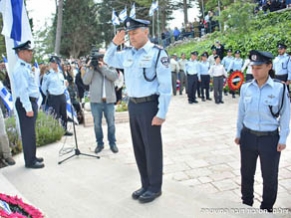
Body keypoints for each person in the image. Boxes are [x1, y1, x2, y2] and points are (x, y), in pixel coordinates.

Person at [104, 17, 172, 203]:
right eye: (129, 34)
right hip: (133, 105)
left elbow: (166, 87)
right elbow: (108, 59)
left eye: (134, 32)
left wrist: (161, 114)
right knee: (139, 147)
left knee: (152, 148)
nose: (131, 37)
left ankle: (155, 187)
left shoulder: (158, 53)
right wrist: (114, 43)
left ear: (146, 32)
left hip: (150, 105)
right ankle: (145, 184)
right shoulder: (127, 54)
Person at [235, 50, 290, 212]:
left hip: (269, 139)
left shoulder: (279, 88)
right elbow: (241, 113)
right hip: (248, 137)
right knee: (246, 174)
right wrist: (239, 134)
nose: (255, 71)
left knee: (270, 177)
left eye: (259, 67)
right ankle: (247, 205)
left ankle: (266, 209)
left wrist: (283, 138)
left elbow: (286, 114)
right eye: (253, 67)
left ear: (269, 66)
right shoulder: (246, 88)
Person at [12, 40, 44, 169]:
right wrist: (28, 108)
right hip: (26, 103)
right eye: (29, 51)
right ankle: (29, 161)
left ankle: (32, 156)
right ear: (21, 53)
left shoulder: (25, 66)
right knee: (28, 133)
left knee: (31, 132)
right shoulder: (20, 69)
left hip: (31, 102)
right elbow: (23, 90)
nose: (31, 54)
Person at [82, 51, 119, 154]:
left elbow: (114, 77)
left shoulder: (110, 66)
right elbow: (85, 81)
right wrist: (91, 68)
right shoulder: (89, 68)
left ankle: (112, 143)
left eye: (101, 57)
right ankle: (99, 144)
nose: (99, 60)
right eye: (98, 58)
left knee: (111, 124)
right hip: (95, 101)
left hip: (109, 101)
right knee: (97, 124)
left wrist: (103, 67)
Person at [41, 56, 73, 136]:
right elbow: (44, 88)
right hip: (53, 97)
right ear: (51, 64)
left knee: (63, 114)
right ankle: (55, 132)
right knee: (55, 115)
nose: (55, 65)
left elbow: (63, 83)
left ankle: (64, 130)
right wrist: (50, 94)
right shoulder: (47, 75)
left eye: (57, 63)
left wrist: (64, 86)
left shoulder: (60, 73)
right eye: (54, 63)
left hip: (62, 95)